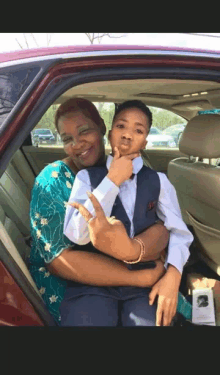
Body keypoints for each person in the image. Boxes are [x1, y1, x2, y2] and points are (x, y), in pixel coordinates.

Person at [29, 98, 169, 325]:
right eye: (67, 139)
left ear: (103, 127)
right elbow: (58, 261)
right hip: (74, 284)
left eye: (84, 131)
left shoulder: (131, 167)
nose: (77, 144)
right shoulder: (52, 180)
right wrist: (140, 277)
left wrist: (164, 269)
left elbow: (156, 227)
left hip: (133, 275)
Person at [64, 100, 194, 326]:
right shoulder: (86, 178)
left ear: (144, 141)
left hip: (143, 284)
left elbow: (179, 232)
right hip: (95, 284)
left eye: (138, 130)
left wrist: (173, 276)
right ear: (110, 132)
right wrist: (111, 181)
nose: (127, 135)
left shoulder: (159, 181)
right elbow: (76, 234)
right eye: (121, 126)